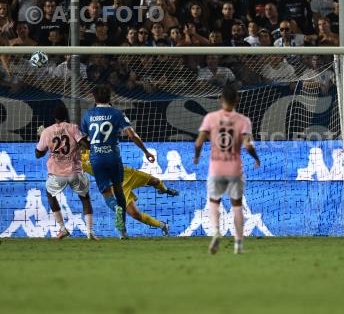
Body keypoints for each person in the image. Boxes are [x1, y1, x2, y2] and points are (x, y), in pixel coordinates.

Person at [81, 85, 155, 239]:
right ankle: (123, 231)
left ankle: (116, 209)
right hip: (113, 157)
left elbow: (84, 140)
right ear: (110, 97)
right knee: (119, 190)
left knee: (106, 193)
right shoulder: (117, 113)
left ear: (94, 98)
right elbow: (131, 134)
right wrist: (146, 151)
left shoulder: (88, 115)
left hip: (96, 158)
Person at [194, 85, 260, 254]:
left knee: (214, 201)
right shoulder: (243, 120)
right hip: (234, 170)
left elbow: (199, 142)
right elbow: (247, 145)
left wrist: (196, 156)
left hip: (216, 169)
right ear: (237, 100)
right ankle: (238, 244)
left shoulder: (210, 118)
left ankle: (216, 232)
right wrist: (256, 158)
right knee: (237, 205)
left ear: (220, 100)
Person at [35, 104, 97, 240]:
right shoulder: (73, 128)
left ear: (54, 117)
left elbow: (38, 154)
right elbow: (86, 146)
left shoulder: (47, 132)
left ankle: (63, 229)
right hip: (74, 171)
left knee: (50, 195)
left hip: (56, 174)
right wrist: (83, 140)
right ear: (66, 116)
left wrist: (44, 141)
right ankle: (90, 232)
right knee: (85, 198)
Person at [80, 150, 178, 235]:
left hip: (127, 174)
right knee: (135, 214)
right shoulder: (77, 160)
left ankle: (165, 190)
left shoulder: (94, 146)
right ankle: (163, 225)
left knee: (155, 181)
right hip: (117, 185)